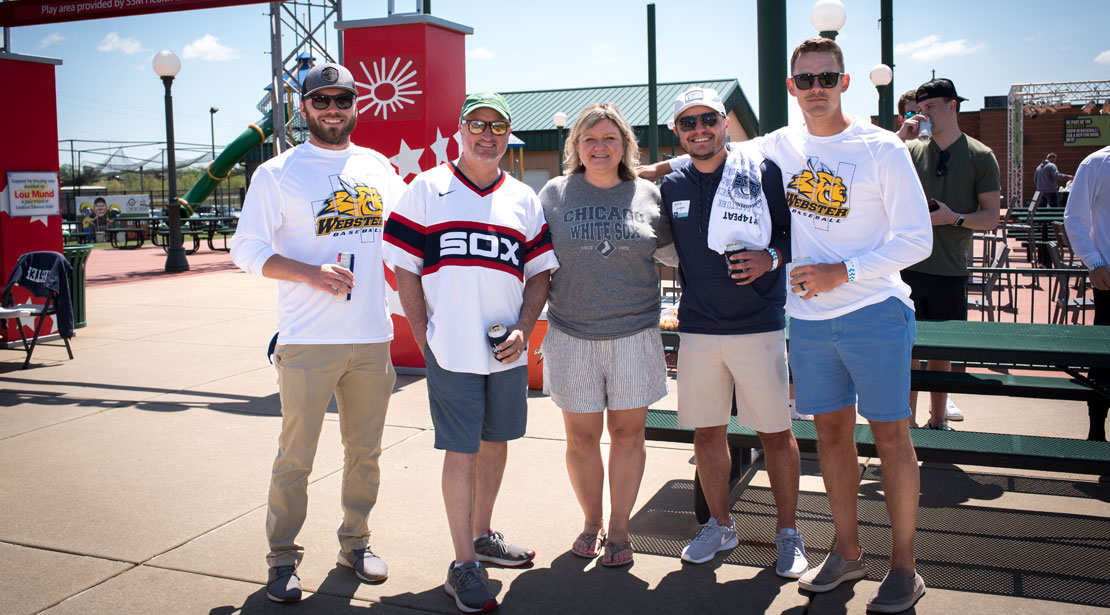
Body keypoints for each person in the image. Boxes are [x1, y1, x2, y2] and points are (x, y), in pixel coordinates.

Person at [762, 38, 933, 612]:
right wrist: (627, 165)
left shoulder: (882, 148)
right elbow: (708, 153)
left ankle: (904, 567)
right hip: (808, 322)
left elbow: (918, 239)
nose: (816, 89)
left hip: (875, 312)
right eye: (805, 80)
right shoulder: (779, 146)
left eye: (826, 78)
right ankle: (848, 551)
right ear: (791, 87)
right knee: (831, 437)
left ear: (844, 82)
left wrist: (845, 271)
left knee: (890, 436)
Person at [229, 62, 406, 603]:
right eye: (321, 100)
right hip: (308, 339)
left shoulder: (376, 166)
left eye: (342, 100)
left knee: (366, 452)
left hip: (372, 336)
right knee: (295, 457)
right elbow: (246, 249)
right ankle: (282, 558)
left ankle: (356, 542)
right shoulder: (277, 173)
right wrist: (309, 273)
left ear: (357, 104)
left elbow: (407, 235)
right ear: (303, 107)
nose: (333, 109)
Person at [384, 91, 559, 614]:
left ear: (509, 134)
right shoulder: (427, 188)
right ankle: (463, 564)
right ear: (460, 129)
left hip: (504, 349)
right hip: (452, 350)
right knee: (461, 449)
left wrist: (526, 329)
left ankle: (482, 535)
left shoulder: (522, 198)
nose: (487, 134)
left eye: (498, 126)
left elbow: (540, 273)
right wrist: (425, 334)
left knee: (496, 441)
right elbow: (405, 268)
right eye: (476, 124)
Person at [654, 87, 807, 577]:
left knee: (776, 434)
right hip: (698, 327)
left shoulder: (761, 170)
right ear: (677, 133)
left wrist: (772, 257)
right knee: (707, 432)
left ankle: (788, 533)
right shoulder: (672, 182)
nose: (699, 129)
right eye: (688, 123)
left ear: (724, 123)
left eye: (708, 120)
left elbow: (792, 232)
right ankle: (720, 525)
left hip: (758, 324)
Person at [537, 103, 672, 568]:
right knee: (580, 438)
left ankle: (619, 528)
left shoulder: (649, 195)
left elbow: (678, 255)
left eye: (610, 139)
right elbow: (531, 262)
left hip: (634, 333)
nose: (600, 147)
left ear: (625, 146)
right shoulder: (553, 194)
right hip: (571, 334)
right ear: (575, 145)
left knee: (628, 433)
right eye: (590, 138)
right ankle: (591, 521)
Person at [897, 78, 1001, 430]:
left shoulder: (980, 155)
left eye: (930, 108)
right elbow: (872, 179)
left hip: (950, 270)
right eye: (919, 109)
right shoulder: (910, 151)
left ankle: (938, 421)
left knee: (941, 354)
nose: (924, 115)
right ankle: (907, 426)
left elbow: (990, 216)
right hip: (907, 269)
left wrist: (952, 217)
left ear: (952, 106)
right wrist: (900, 138)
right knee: (907, 352)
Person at [1063, 144, 1110, 442]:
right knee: (1104, 362)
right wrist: (1094, 262)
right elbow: (1075, 218)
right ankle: (1096, 434)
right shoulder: (1097, 164)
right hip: (1109, 282)